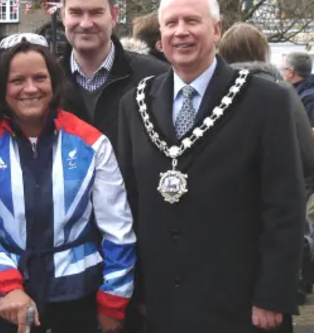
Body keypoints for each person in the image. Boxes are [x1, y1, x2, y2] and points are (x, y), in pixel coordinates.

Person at [117, 0, 304, 332]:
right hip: (162, 304)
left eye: (192, 21)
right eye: (171, 23)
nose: (181, 32)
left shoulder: (266, 102)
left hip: (240, 304)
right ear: (160, 36)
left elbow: (284, 206)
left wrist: (273, 294)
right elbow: (129, 203)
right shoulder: (134, 104)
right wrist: (139, 289)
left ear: (216, 29)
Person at [0, 33, 136, 333]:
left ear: (54, 82)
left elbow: (118, 229)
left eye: (40, 77)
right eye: (17, 80)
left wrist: (114, 301)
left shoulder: (91, 142)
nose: (30, 89)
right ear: (2, 86)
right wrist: (7, 287)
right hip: (7, 303)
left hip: (78, 299)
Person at [219, 21, 314, 305]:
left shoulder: (212, 93)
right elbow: (307, 156)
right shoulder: (282, 92)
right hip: (277, 209)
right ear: (263, 50)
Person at [59, 0, 168, 150]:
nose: (85, 23)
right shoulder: (46, 83)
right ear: (63, 16)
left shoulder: (156, 77)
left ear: (114, 16)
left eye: (96, 13)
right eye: (76, 13)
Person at [281, 51, 314, 126]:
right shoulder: (300, 92)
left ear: (290, 72)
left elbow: (305, 130)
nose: (281, 73)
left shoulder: (309, 98)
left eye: (282, 69)